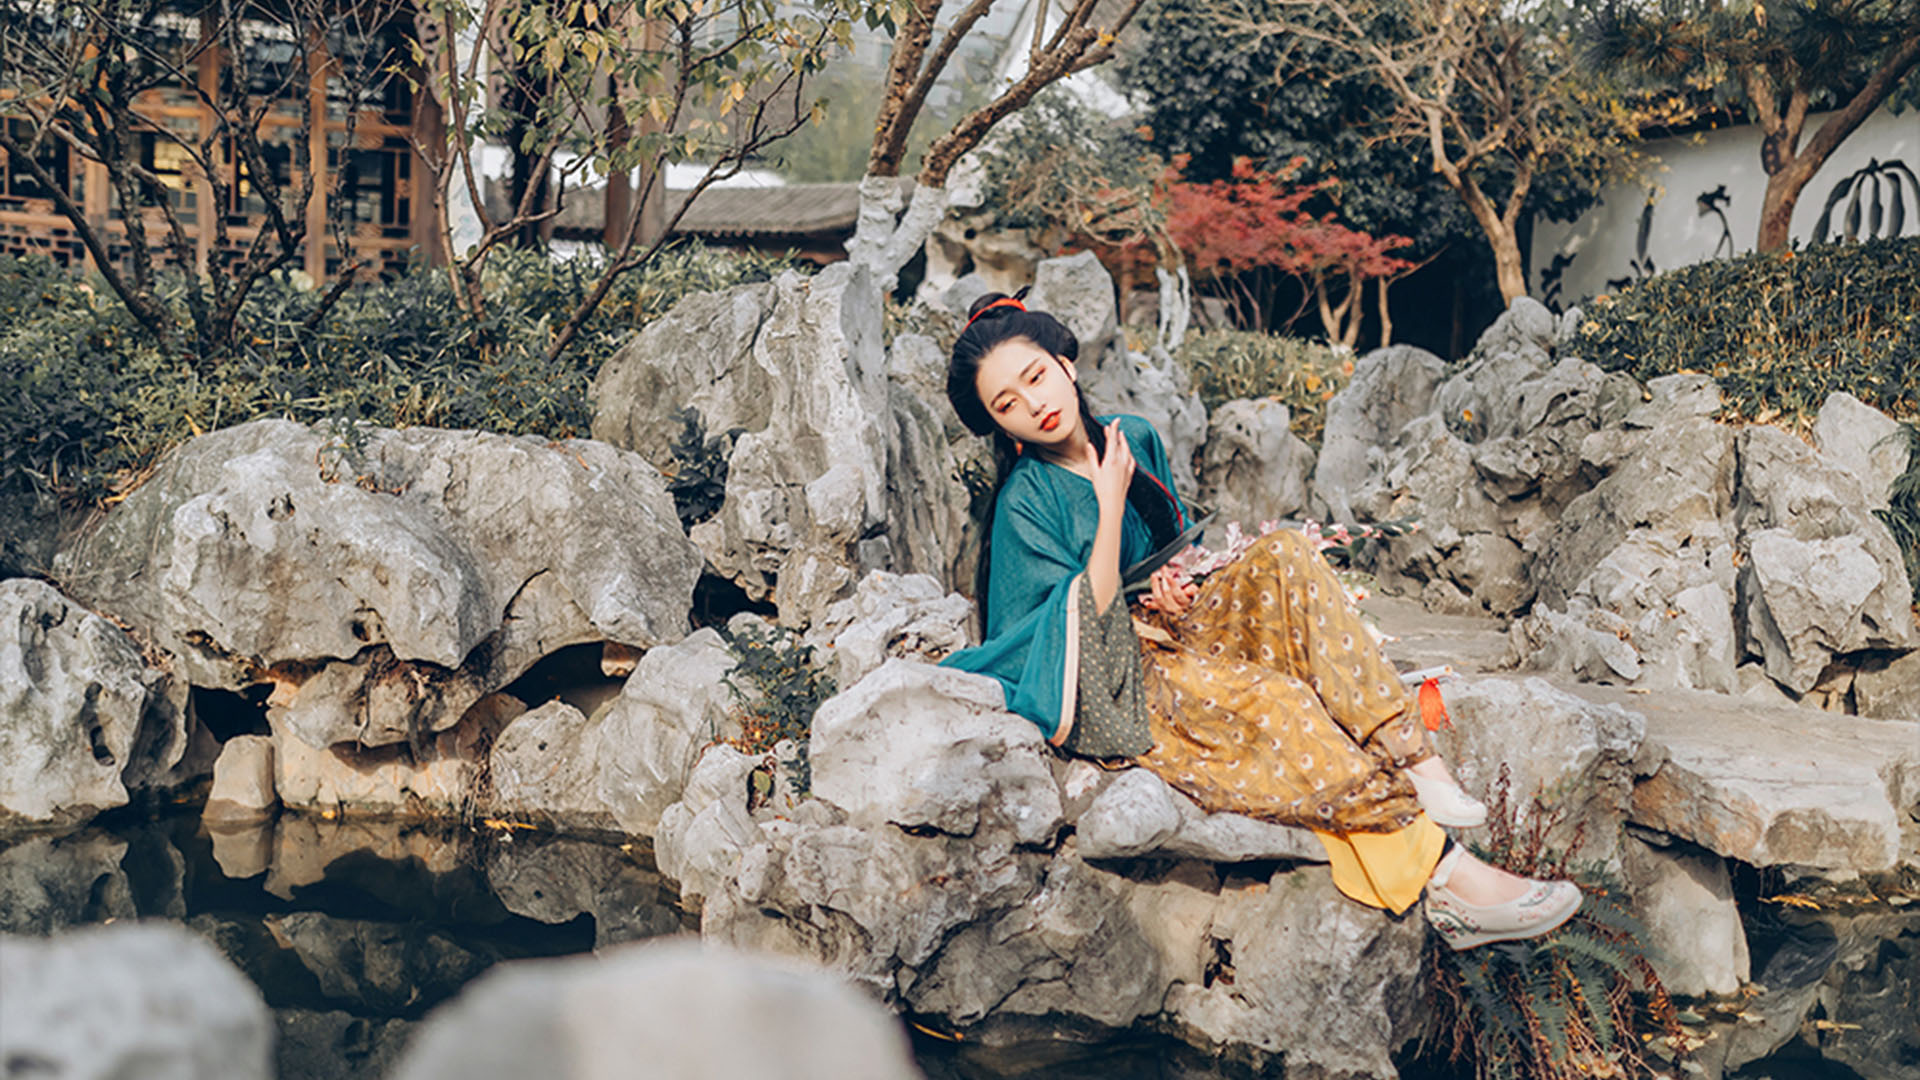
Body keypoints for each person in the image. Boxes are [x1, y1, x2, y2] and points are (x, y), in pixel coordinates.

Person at [937, 292, 1581, 950]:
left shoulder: (1134, 435)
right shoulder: (1025, 500)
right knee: (1278, 702)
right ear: (1002, 428)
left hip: (1170, 628)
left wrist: (1169, 587)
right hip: (1121, 678)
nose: (1034, 403)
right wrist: (1107, 503)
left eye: (1036, 376)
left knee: (1285, 553)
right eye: (1007, 404)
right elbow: (1064, 626)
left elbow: (1168, 552)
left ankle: (1414, 759)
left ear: (1066, 365)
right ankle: (1451, 882)